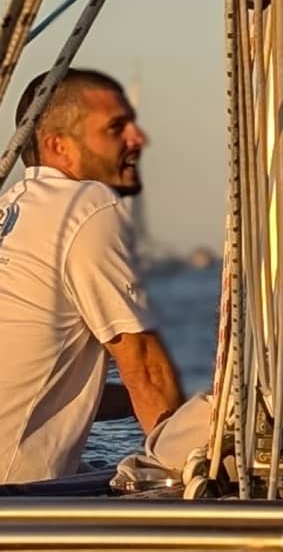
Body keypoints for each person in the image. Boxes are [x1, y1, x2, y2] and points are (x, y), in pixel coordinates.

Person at [0, 69, 184, 483]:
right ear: (58, 146)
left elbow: (42, 388)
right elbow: (145, 371)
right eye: (115, 128)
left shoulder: (12, 210)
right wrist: (195, 470)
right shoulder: (85, 205)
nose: (136, 139)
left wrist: (193, 408)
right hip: (17, 508)